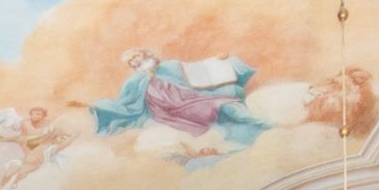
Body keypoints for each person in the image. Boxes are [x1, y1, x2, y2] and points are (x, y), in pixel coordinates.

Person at [85, 49, 267, 154]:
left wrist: (217, 60)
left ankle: (266, 125)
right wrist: (98, 107)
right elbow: (124, 104)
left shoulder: (170, 66)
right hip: (170, 113)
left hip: (193, 100)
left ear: (145, 54)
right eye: (131, 61)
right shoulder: (134, 81)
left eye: (136, 56)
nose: (135, 61)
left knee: (227, 106)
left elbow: (199, 69)